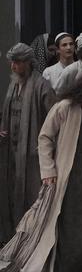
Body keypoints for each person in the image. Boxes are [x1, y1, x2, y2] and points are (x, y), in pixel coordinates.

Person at [0, 65, 82, 272]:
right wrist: (48, 171)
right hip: (69, 181)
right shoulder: (64, 107)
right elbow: (45, 137)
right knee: (67, 228)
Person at [0, 44, 57, 243]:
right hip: (13, 151)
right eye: (12, 62)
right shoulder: (13, 84)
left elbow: (55, 119)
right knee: (13, 193)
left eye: (17, 62)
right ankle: (14, 239)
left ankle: (33, 241)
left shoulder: (42, 85)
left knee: (33, 195)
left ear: (27, 63)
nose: (13, 66)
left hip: (33, 152)